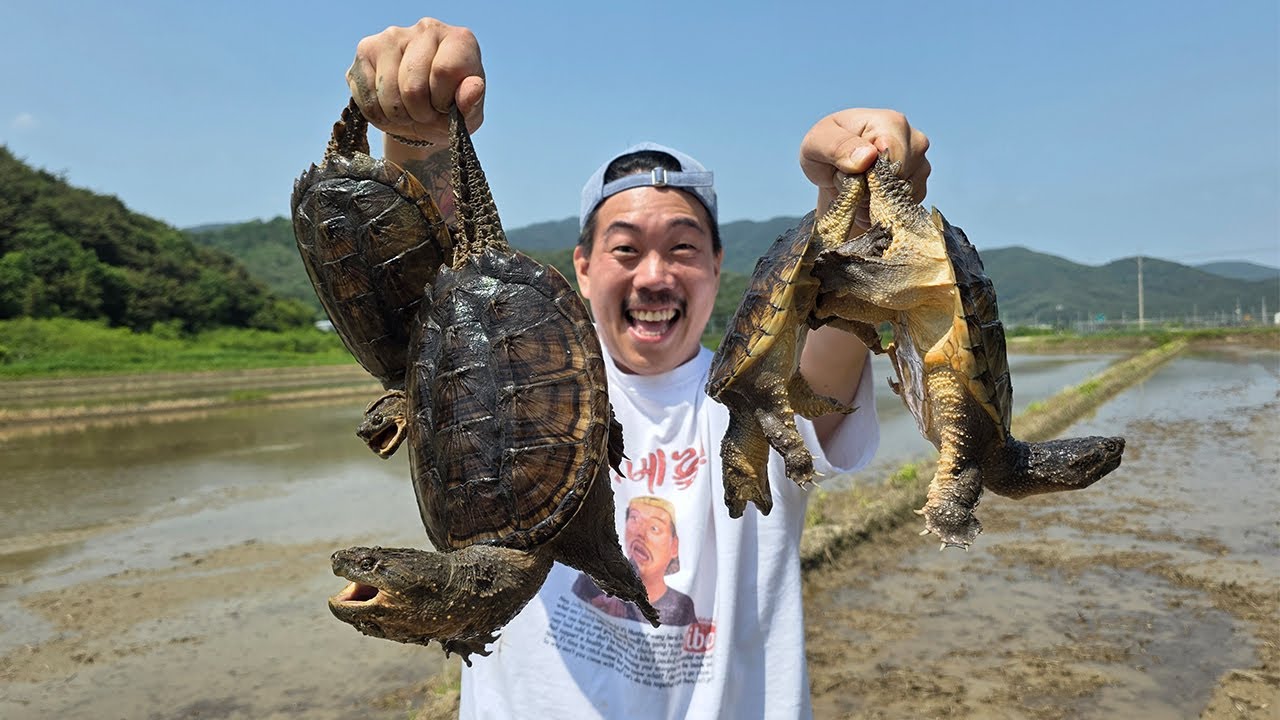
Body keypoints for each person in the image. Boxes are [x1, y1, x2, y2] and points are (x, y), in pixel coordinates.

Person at [346, 18, 932, 720]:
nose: (655, 276)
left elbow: (839, 306)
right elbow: (424, 285)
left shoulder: (755, 403)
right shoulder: (492, 381)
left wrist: (857, 191)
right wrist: (416, 125)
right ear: (583, 267)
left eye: (683, 248)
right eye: (625, 249)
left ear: (719, 266)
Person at [573, 495, 698, 626]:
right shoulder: (587, 585)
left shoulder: (682, 606)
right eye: (634, 519)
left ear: (674, 546)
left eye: (654, 528)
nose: (640, 533)